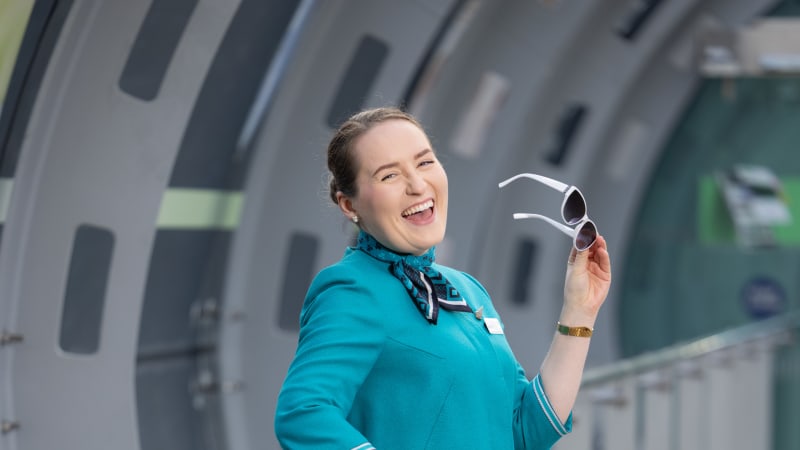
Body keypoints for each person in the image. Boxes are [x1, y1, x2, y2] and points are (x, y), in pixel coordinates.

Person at [274, 107, 612, 449]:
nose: (418, 185)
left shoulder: (468, 290)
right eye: (389, 176)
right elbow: (303, 413)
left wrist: (579, 312)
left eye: (425, 162)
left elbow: (525, 432)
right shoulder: (352, 290)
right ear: (349, 205)